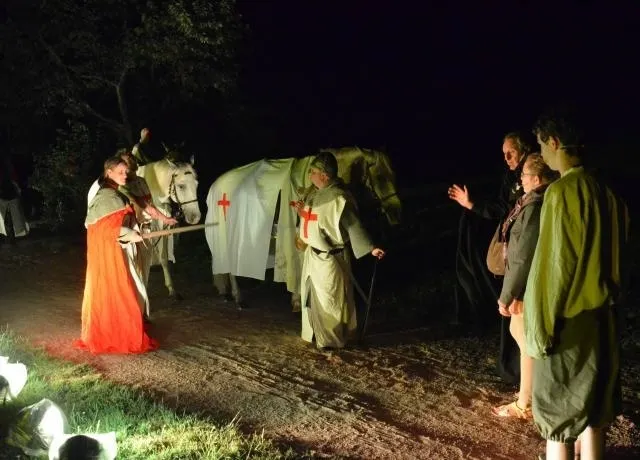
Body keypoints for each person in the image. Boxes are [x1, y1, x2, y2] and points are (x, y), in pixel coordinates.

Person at [524, 106, 630, 460]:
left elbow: (556, 269)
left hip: (570, 322)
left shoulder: (562, 192)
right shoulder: (608, 193)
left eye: (542, 146)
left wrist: (541, 327)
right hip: (605, 316)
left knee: (559, 414)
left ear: (554, 142)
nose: (541, 153)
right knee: (595, 410)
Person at [447, 131, 535, 384]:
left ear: (524, 150)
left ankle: (524, 375)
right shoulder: (510, 177)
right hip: (513, 249)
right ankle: (511, 369)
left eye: (511, 153)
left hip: (526, 250)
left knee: (520, 307)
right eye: (504, 154)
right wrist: (471, 205)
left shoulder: (534, 179)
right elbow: (502, 209)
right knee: (512, 313)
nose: (507, 159)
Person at [295, 152, 385, 350]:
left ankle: (331, 340)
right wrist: (302, 213)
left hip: (331, 258)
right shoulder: (315, 195)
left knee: (330, 301)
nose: (310, 175)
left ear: (324, 175)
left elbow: (352, 224)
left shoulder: (339, 198)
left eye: (313, 172)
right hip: (313, 256)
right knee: (312, 298)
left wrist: (370, 248)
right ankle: (316, 334)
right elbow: (316, 221)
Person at [491, 153, 557, 419]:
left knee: (527, 341)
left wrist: (509, 294)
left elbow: (522, 256)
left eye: (525, 175)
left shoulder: (534, 208)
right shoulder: (541, 202)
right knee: (524, 338)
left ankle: (526, 402)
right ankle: (529, 397)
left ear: (537, 179)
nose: (521, 180)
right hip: (529, 285)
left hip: (527, 287)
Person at [74, 156, 159, 354]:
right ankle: (116, 335)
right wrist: (128, 233)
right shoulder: (106, 196)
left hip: (118, 250)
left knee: (128, 289)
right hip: (110, 255)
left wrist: (132, 232)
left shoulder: (114, 193)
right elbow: (102, 228)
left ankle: (120, 330)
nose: (125, 175)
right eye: (120, 172)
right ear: (108, 172)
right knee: (118, 291)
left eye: (126, 172)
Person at [0, 153, 30, 242]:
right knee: (10, 217)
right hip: (8, 194)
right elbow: (14, 179)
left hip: (8, 194)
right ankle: (10, 236)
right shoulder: (9, 168)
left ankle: (10, 236)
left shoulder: (8, 169)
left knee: (9, 217)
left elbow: (14, 179)